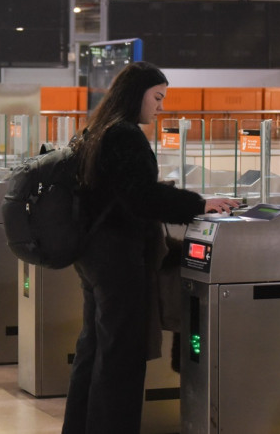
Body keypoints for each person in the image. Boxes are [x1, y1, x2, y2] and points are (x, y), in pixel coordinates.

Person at [62, 62, 240, 434]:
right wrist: (198, 203)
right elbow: (140, 197)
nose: (160, 106)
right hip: (118, 255)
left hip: (92, 253)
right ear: (136, 94)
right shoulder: (125, 135)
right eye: (156, 97)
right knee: (122, 354)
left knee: (94, 347)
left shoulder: (96, 130)